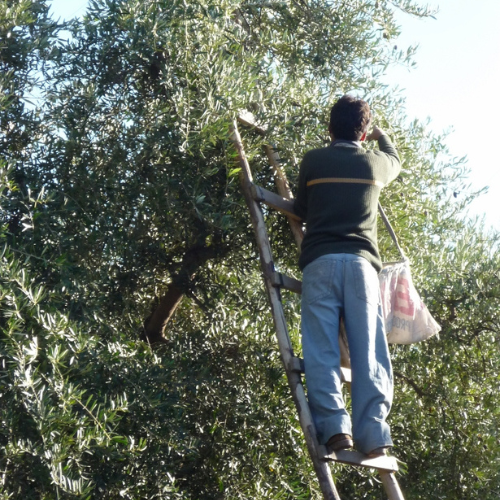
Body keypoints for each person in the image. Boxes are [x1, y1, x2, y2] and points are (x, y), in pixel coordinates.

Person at [293, 95, 401, 457]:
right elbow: (395, 158)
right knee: (369, 350)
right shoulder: (375, 164)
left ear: (329, 128)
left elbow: (300, 209)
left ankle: (336, 429)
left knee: (320, 351)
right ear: (364, 133)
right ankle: (373, 434)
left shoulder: (314, 161)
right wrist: (381, 135)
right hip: (360, 268)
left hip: (319, 264)